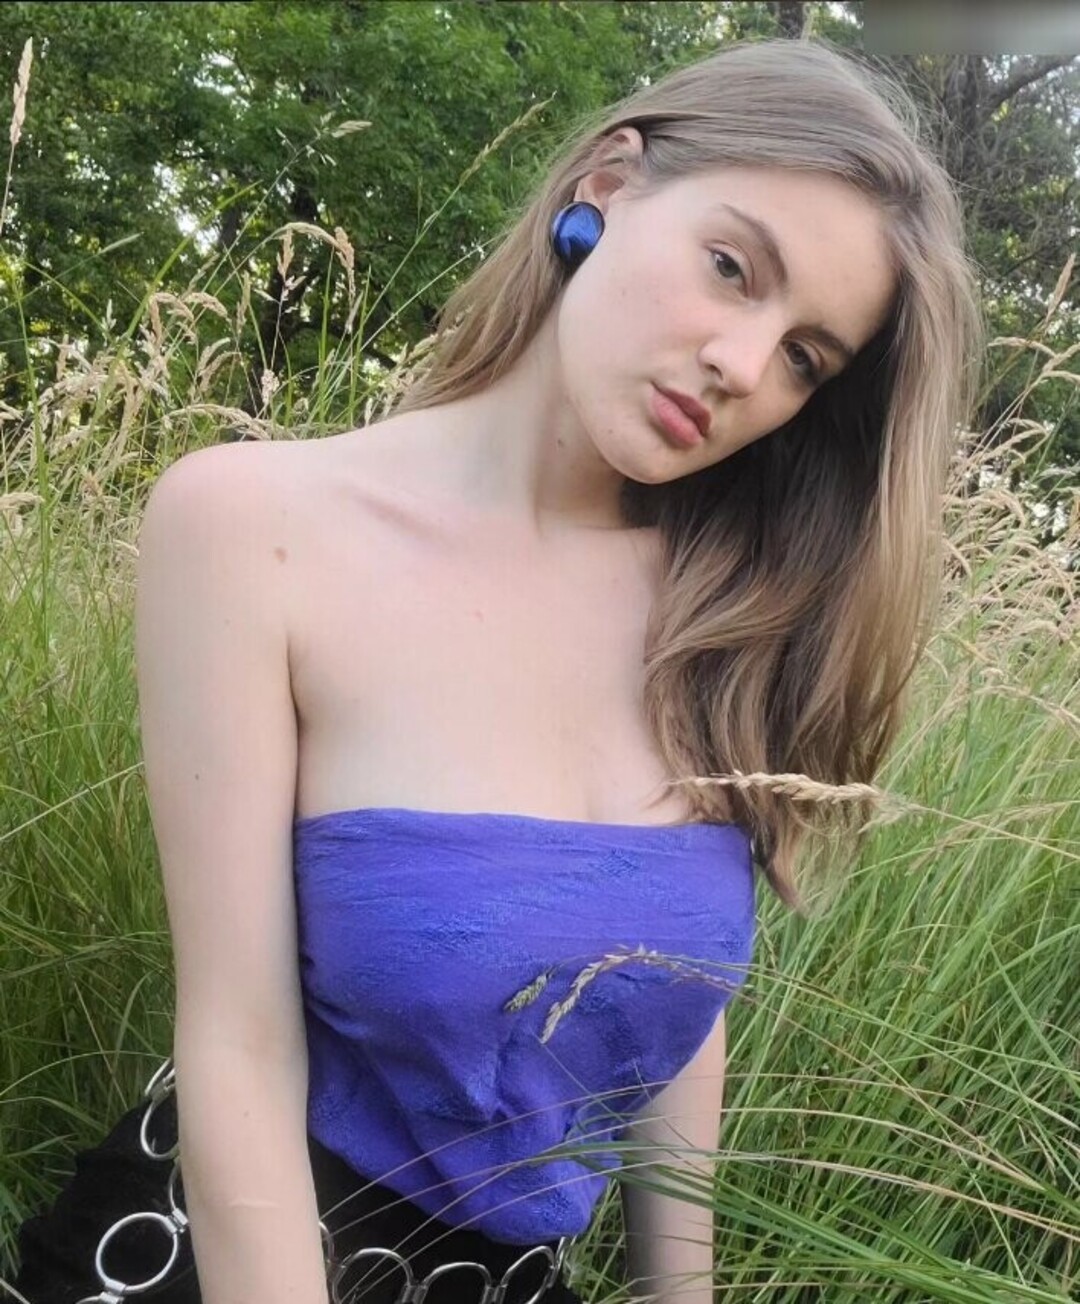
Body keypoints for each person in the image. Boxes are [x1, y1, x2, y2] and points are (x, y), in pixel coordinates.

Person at [8, 33, 983, 1304]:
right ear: (607, 185)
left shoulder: (727, 611)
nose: (743, 367)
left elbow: (670, 998)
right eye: (732, 268)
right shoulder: (255, 528)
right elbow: (238, 1045)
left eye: (806, 356)